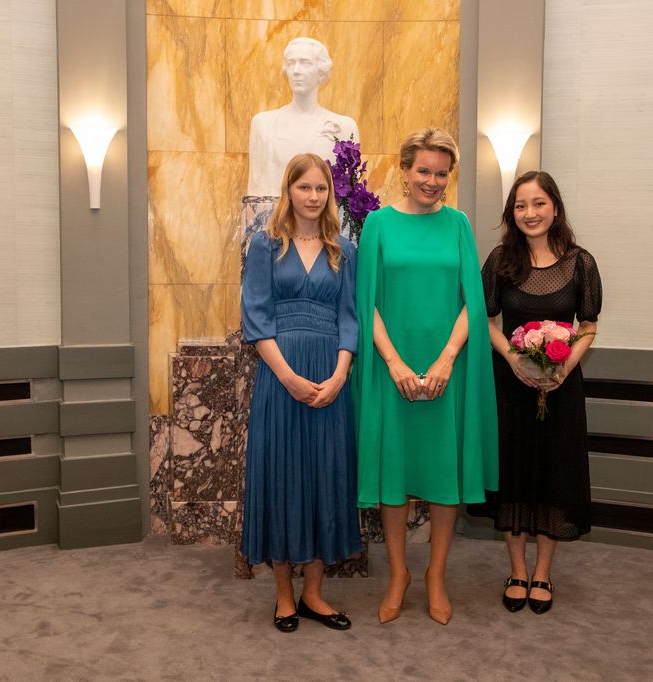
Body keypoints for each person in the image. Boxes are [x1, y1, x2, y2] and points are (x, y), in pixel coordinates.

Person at [354, 128, 499, 626]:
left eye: (441, 173)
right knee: (394, 477)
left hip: (445, 373)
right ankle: (399, 574)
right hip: (390, 370)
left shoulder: (458, 225)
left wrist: (445, 361)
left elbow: (471, 305)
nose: (432, 181)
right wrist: (394, 363)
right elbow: (365, 303)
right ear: (405, 169)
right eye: (424, 171)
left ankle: (436, 575)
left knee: (441, 478)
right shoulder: (376, 224)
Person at [239, 153, 361, 633]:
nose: (313, 197)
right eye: (304, 187)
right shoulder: (265, 245)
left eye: (321, 189)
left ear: (330, 194)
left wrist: (339, 376)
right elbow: (256, 317)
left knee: (324, 477)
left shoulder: (343, 249)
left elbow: (350, 318)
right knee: (284, 476)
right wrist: (288, 376)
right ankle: (284, 595)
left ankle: (314, 592)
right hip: (279, 377)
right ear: (288, 190)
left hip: (330, 377)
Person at [474, 170, 602, 614]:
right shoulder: (500, 260)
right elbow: (486, 321)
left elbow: (588, 326)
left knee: (553, 475)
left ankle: (543, 572)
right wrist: (513, 358)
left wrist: (564, 366)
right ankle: (516, 569)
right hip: (511, 386)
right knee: (514, 474)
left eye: (538, 204)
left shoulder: (580, 262)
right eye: (521, 205)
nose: (530, 213)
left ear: (555, 207)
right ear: (513, 212)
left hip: (560, 388)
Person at [247, 37, 359, 197]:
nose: (296, 70)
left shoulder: (344, 127)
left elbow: (350, 194)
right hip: (276, 220)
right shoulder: (264, 124)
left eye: (305, 63)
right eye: (291, 63)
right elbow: (256, 192)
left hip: (326, 221)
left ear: (321, 71)